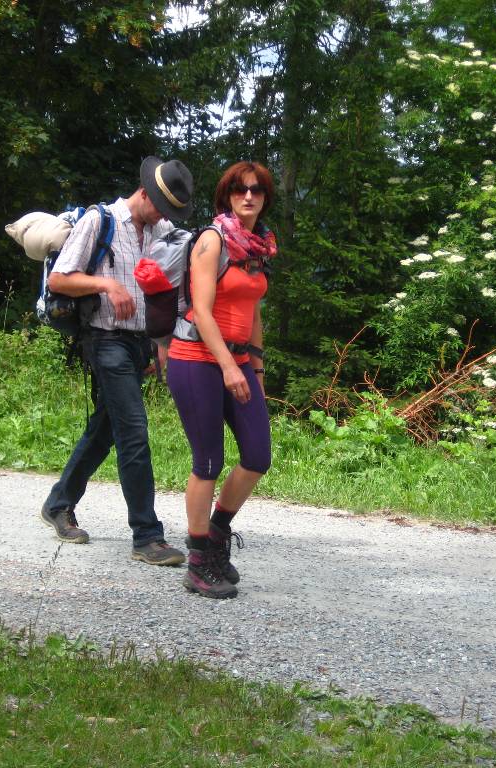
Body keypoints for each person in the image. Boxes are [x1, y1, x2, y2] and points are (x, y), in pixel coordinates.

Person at [40, 156, 193, 566]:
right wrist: (107, 284)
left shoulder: (161, 232)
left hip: (140, 343)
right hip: (104, 339)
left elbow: (165, 290)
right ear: (144, 192)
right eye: (162, 206)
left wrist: (161, 342)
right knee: (133, 431)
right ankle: (147, 536)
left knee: (106, 428)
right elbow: (59, 279)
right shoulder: (100, 220)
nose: (164, 215)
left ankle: (59, 503)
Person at [166, 161, 276, 598]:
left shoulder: (258, 246)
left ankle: (215, 535)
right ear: (227, 196)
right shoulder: (212, 240)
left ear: (265, 198)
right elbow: (202, 310)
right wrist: (228, 367)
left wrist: (255, 368)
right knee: (208, 461)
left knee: (258, 455)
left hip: (240, 359)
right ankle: (198, 563)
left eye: (256, 190)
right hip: (196, 358)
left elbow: (253, 311)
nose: (248, 196)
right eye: (239, 190)